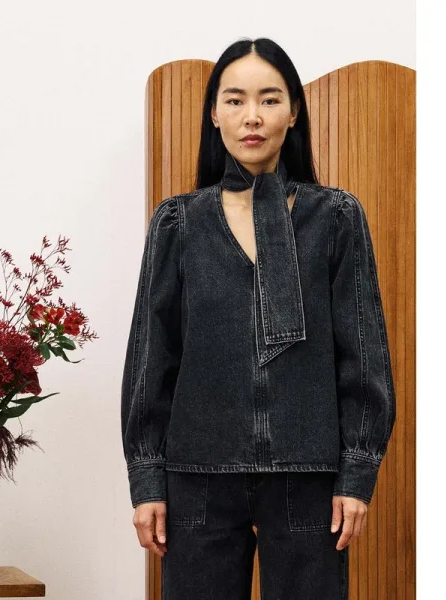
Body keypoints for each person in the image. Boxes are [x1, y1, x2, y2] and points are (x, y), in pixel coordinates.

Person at [121, 37, 396, 600]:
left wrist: (357, 473)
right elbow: (152, 358)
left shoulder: (336, 217)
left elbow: (363, 355)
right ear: (214, 113)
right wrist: (147, 478)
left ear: (293, 112)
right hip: (197, 477)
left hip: (308, 476)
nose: (252, 116)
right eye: (235, 99)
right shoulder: (177, 222)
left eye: (270, 99)